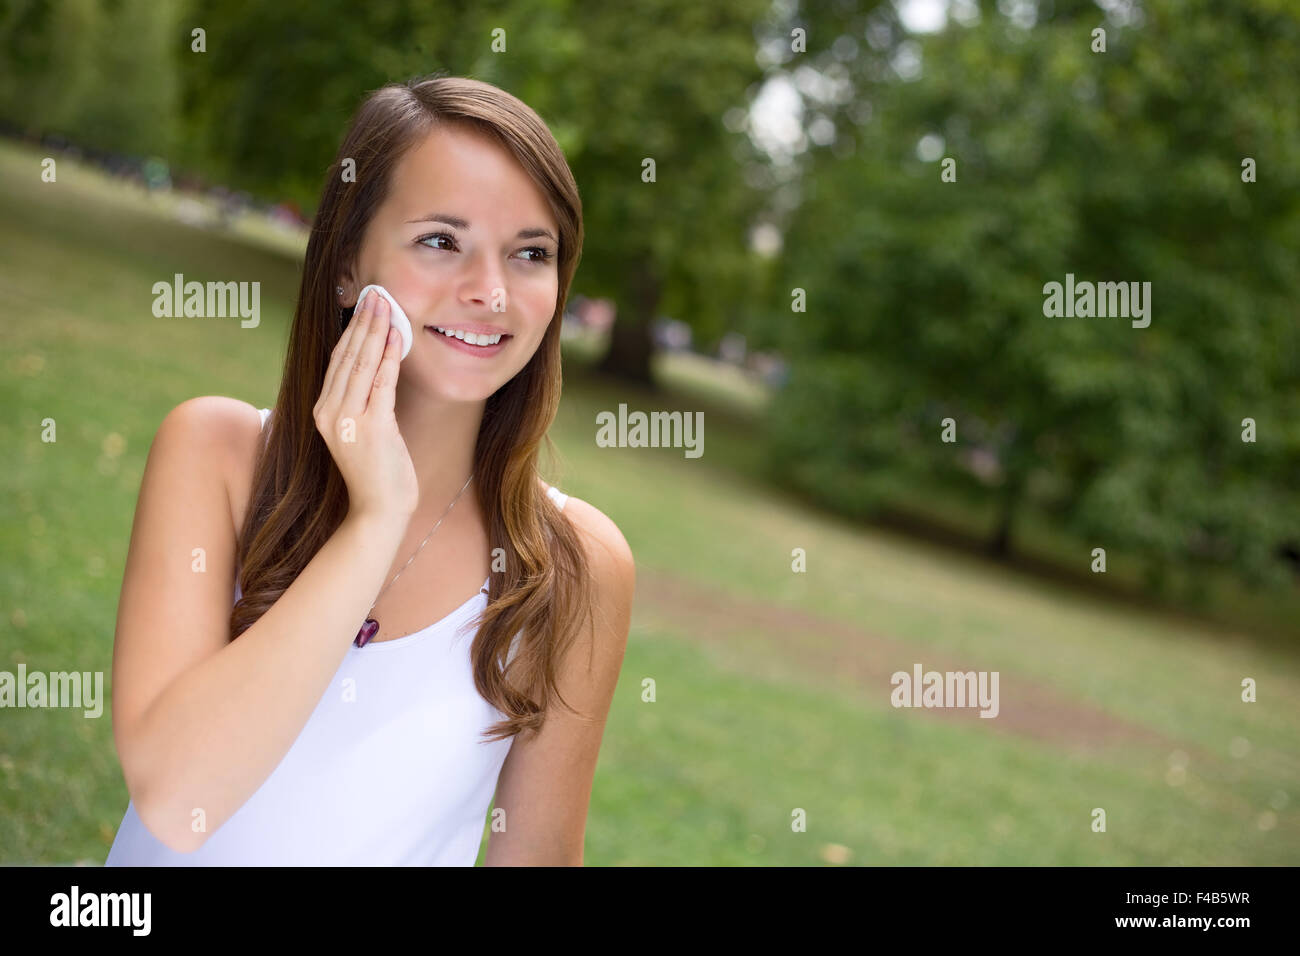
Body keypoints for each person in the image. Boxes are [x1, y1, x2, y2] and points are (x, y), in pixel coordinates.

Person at [104, 75, 635, 866]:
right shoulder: (215, 454)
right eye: (441, 240)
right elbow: (180, 800)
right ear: (347, 264)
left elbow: (537, 855)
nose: (490, 292)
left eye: (531, 253)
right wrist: (375, 518)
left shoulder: (575, 563)